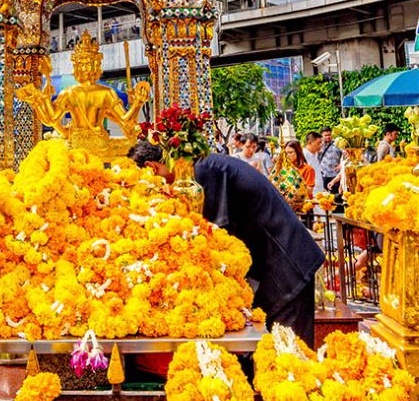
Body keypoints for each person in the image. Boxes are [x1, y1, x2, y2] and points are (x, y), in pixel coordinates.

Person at [128, 142, 324, 347]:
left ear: (151, 167)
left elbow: (211, 233)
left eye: (146, 182)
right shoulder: (201, 167)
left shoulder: (203, 172)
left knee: (290, 354)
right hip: (274, 263)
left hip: (287, 263)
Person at [317, 127, 342, 193]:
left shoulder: (337, 144)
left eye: (329, 135)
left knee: (335, 195)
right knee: (322, 195)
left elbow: (347, 155)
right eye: (326, 135)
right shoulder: (318, 145)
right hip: (323, 175)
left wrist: (341, 165)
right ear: (321, 136)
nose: (328, 137)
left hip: (335, 175)